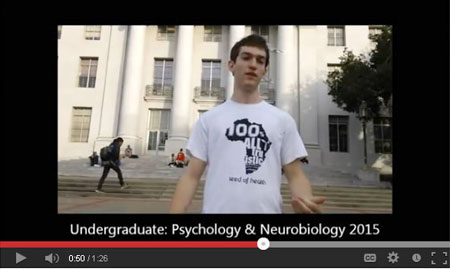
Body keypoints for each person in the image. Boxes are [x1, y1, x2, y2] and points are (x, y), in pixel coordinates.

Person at [170, 34, 325, 213]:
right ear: (231, 65)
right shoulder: (209, 120)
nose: (253, 64)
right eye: (246, 57)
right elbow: (191, 177)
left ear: (265, 70)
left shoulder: (282, 121)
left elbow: (296, 175)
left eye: (260, 61)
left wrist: (305, 202)